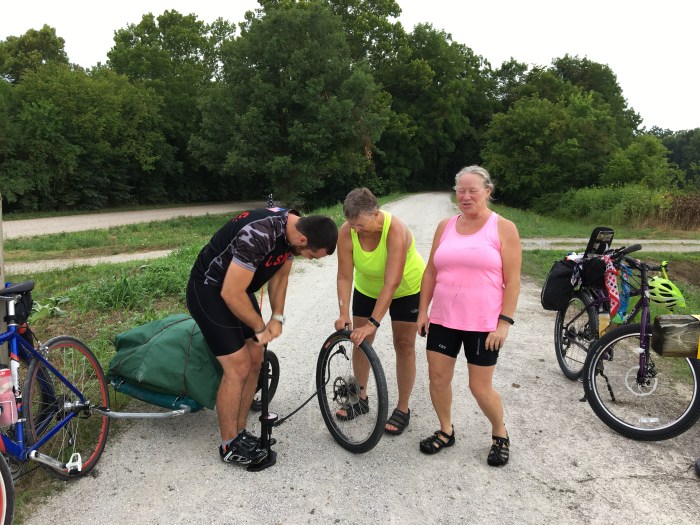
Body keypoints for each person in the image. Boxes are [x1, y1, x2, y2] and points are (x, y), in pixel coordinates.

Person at [187, 206, 338, 466]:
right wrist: (260, 327)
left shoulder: (293, 233)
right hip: (209, 288)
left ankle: (240, 431)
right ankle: (228, 445)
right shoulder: (260, 234)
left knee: (255, 358)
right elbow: (230, 293)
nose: (311, 260)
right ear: (303, 240)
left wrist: (277, 317)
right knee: (238, 366)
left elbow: (280, 278)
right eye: (312, 256)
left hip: (237, 288)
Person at [417, 165, 521, 466]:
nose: (465, 196)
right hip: (443, 319)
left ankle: (499, 432)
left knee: (479, 387)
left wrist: (504, 323)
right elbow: (431, 271)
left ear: (487, 191)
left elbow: (513, 281)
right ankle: (445, 430)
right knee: (438, 378)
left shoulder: (503, 228)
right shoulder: (445, 226)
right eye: (460, 190)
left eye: (472, 190)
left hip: (483, 324)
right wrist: (423, 311)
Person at [334, 188, 425, 435]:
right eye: (352, 225)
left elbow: (392, 282)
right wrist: (343, 313)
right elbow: (344, 276)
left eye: (361, 225)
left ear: (376, 214)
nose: (356, 230)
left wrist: (373, 322)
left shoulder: (396, 230)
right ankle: (359, 398)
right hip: (367, 289)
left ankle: (403, 408)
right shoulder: (347, 231)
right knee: (360, 341)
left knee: (404, 344)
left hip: (406, 289)